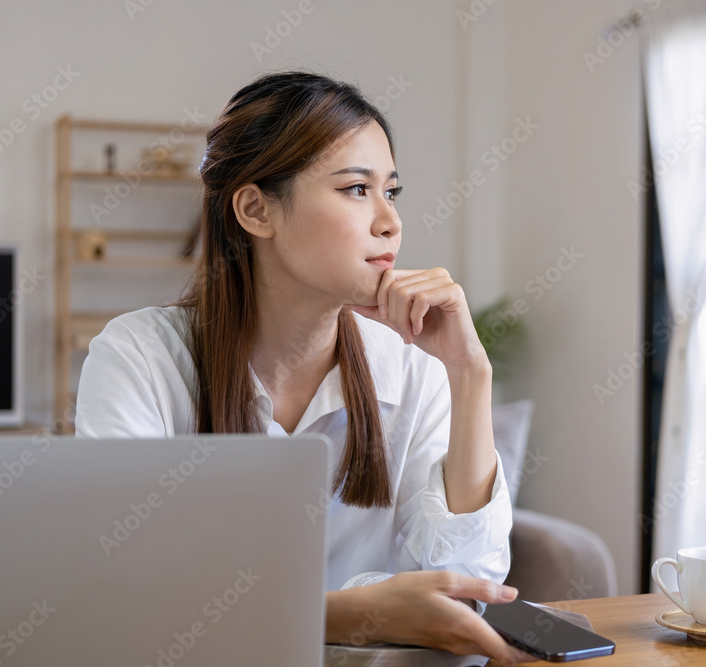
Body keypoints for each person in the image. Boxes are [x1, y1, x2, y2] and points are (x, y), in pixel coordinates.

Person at [75, 71, 529, 663]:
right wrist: (350, 613)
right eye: (355, 189)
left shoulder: (414, 369)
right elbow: (123, 592)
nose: (389, 222)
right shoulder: (139, 358)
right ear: (256, 210)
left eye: (390, 192)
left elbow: (467, 583)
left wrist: (470, 375)